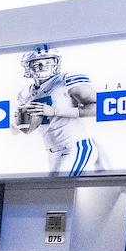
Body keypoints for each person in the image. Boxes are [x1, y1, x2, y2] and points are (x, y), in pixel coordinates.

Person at [13, 47, 101, 176]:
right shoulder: (26, 93)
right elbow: (17, 130)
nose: (42, 66)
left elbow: (98, 108)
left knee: (57, 190)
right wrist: (19, 123)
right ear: (29, 66)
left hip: (75, 147)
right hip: (53, 151)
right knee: (55, 192)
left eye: (48, 62)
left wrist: (55, 111)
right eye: (37, 63)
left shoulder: (65, 80)